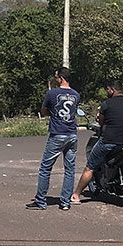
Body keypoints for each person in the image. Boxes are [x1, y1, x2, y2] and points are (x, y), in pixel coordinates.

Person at [26, 67, 80, 211]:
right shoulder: (76, 94)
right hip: (72, 134)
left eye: (56, 77)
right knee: (70, 169)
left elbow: (43, 111)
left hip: (57, 134)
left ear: (60, 78)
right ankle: (65, 202)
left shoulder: (52, 93)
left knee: (45, 168)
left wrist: (53, 113)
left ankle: (41, 201)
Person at [73, 80, 123, 202]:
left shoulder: (106, 104)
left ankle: (76, 195)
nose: (107, 92)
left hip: (108, 142)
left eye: (107, 90)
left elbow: (101, 122)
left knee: (90, 167)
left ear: (112, 89)